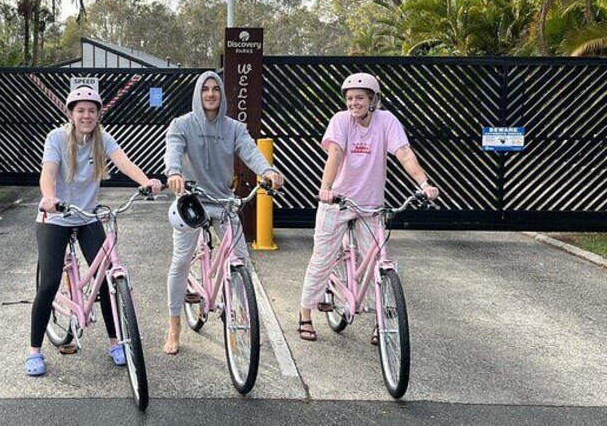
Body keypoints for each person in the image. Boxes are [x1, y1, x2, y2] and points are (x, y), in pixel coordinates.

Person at [25, 86, 162, 376]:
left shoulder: (103, 139)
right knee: (49, 282)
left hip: (87, 217)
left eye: (92, 110)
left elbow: (125, 164)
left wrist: (146, 181)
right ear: (71, 114)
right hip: (55, 217)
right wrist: (48, 198)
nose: (86, 115)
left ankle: (115, 342)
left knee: (106, 279)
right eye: (80, 110)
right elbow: (47, 173)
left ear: (99, 114)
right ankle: (34, 351)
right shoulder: (57, 138)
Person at [297, 72, 439, 343]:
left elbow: (404, 153)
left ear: (373, 100)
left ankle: (380, 321)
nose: (353, 103)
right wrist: (326, 188)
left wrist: (424, 183)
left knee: (377, 261)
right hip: (337, 202)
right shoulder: (341, 120)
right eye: (350, 98)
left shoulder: (387, 121)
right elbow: (335, 153)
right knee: (322, 258)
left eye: (360, 98)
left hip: (370, 205)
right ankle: (305, 313)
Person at [163, 71, 285, 355]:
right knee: (181, 261)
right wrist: (174, 172)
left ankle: (241, 317)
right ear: (198, 93)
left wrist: (267, 170)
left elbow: (250, 151)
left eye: (215, 89)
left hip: (223, 200)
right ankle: (174, 324)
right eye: (205, 89)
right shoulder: (181, 124)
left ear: (222, 94)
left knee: (240, 259)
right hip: (191, 201)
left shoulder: (234, 127)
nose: (210, 94)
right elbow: (173, 150)